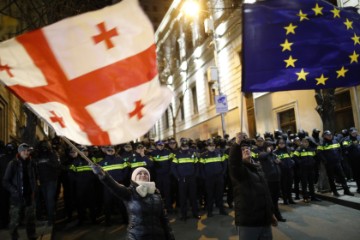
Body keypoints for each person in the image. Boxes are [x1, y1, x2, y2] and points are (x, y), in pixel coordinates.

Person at [91, 165, 175, 240]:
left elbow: (164, 219)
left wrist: (170, 236)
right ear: (134, 178)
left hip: (158, 236)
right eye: (139, 173)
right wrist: (103, 175)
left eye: (146, 174)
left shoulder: (156, 193)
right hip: (138, 236)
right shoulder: (129, 193)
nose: (143, 175)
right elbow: (114, 186)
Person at [229, 138, 277, 240]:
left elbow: (266, 193)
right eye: (242, 150)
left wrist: (271, 213)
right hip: (249, 223)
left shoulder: (257, 167)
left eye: (247, 148)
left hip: (264, 220)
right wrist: (237, 144)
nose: (246, 150)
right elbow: (234, 163)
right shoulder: (239, 171)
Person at [3, 143, 37, 240]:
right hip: (16, 197)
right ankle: (14, 236)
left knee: (30, 219)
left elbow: (35, 177)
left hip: (29, 195)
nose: (27, 152)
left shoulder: (32, 163)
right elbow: (5, 181)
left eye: (28, 151)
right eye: (24, 150)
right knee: (15, 220)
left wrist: (35, 189)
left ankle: (31, 235)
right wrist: (14, 191)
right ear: (20, 151)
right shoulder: (13, 164)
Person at [317, 130, 354, 196]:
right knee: (331, 178)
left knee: (342, 177)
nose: (330, 136)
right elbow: (319, 153)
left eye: (330, 134)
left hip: (337, 162)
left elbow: (340, 150)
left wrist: (340, 158)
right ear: (325, 136)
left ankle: (346, 190)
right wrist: (325, 160)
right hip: (329, 164)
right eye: (328, 135)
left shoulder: (335, 141)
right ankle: (335, 191)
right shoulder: (322, 143)